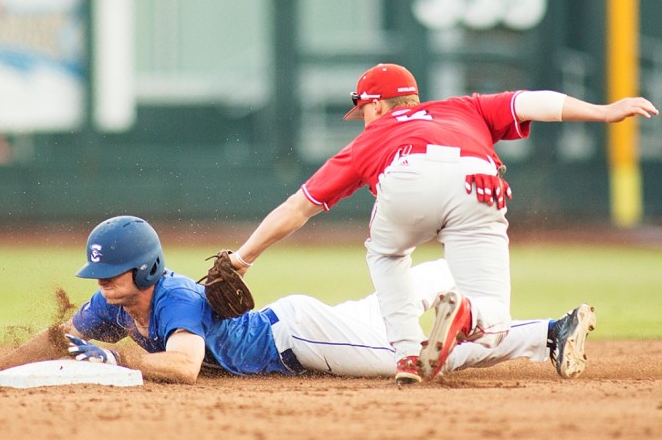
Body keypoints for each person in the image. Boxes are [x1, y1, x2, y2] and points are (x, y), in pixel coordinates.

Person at [216, 63, 657, 385]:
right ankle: (466, 314)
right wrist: (603, 111)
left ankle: (408, 354)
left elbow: (298, 208)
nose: (362, 120)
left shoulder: (371, 138)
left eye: (363, 110)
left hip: (407, 174)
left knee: (387, 253)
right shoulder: (464, 107)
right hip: (478, 180)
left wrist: (242, 258)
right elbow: (530, 101)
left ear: (375, 104)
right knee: (494, 315)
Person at [0, 215, 596, 384]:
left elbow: (184, 368)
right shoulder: (118, 303)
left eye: (112, 276)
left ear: (146, 271)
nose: (101, 287)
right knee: (380, 313)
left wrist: (111, 358)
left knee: (420, 360)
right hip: (302, 324)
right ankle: (453, 282)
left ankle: (541, 332)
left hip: (296, 339)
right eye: (99, 278)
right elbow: (60, 336)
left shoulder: (176, 300)